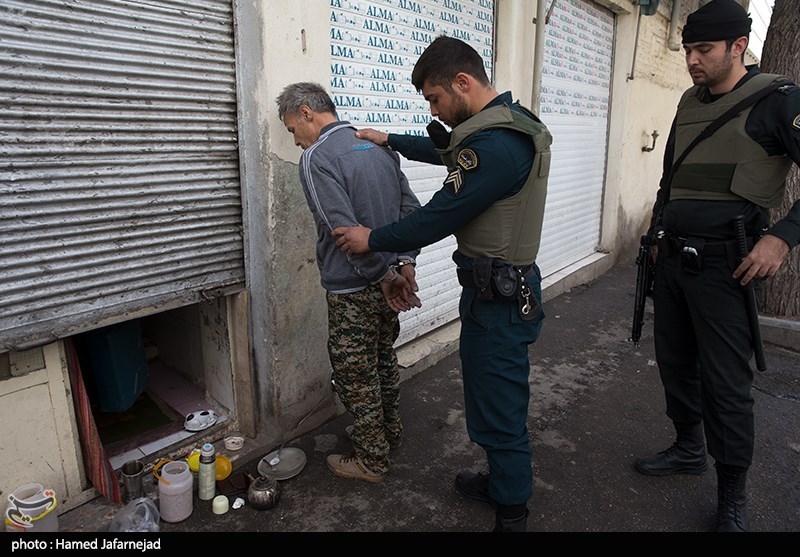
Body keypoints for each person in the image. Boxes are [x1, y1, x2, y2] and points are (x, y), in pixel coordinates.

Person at [332, 36, 552, 532]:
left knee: (499, 403)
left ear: (462, 82)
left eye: (434, 100)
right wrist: (390, 140)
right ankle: (500, 483)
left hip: (499, 296)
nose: (434, 109)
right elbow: (447, 150)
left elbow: (439, 215)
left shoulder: (495, 145)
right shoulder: (505, 125)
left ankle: (512, 512)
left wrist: (373, 238)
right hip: (493, 291)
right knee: (488, 392)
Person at [635, 0, 800, 532]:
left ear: (737, 47)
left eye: (703, 49)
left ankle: (732, 493)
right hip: (675, 259)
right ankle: (687, 448)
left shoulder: (778, 101)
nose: (691, 60)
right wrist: (657, 233)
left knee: (726, 382)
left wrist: (781, 238)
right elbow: (669, 179)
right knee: (676, 362)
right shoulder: (689, 101)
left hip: (730, 264)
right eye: (687, 49)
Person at [275, 82, 422, 483]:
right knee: (381, 359)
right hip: (391, 281)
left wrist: (386, 276)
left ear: (306, 112)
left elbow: (342, 232)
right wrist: (404, 264)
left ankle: (371, 460)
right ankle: (388, 433)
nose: (296, 141)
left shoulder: (318, 158)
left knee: (355, 374)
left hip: (356, 288)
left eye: (291, 130)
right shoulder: (377, 146)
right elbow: (412, 211)